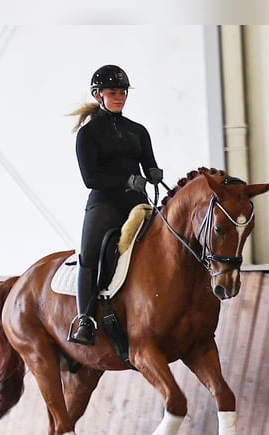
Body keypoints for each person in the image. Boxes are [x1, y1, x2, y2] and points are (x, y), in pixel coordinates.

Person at [66, 64, 163, 346]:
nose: (120, 97)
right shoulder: (88, 134)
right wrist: (126, 180)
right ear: (98, 95)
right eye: (113, 92)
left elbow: (150, 164)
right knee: (89, 254)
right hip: (105, 203)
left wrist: (155, 173)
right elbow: (90, 178)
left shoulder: (138, 131)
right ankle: (85, 318)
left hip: (136, 203)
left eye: (122, 92)